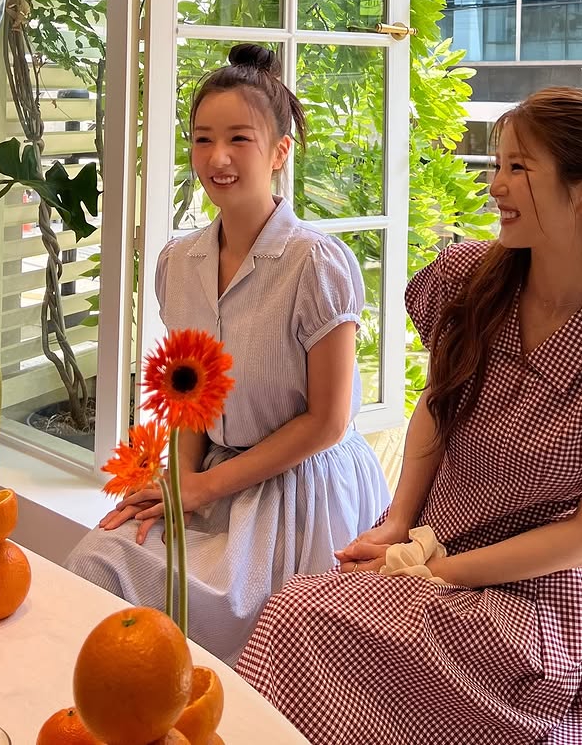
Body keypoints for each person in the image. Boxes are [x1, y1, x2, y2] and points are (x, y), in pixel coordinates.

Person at [237, 86, 582, 744]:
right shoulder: (472, 280)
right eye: (498, 164)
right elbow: (437, 404)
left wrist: (432, 572)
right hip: (432, 555)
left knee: (301, 620)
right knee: (295, 615)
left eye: (519, 168)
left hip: (528, 608)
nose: (495, 185)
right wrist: (398, 522)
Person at [65, 43, 390, 666]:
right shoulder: (178, 263)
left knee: (254, 660)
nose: (217, 158)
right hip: (211, 476)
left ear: (280, 151)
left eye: (239, 139)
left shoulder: (316, 264)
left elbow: (328, 422)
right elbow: (189, 395)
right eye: (202, 139)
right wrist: (180, 485)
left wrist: (200, 488)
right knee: (97, 564)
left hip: (301, 491)